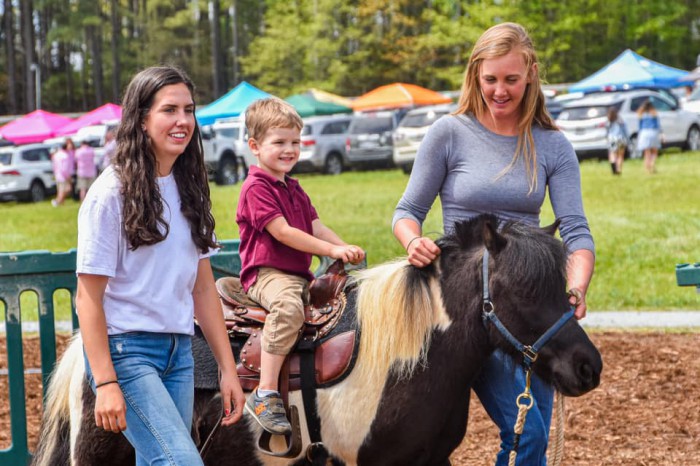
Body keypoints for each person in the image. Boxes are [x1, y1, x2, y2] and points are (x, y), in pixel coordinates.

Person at [392, 22, 595, 466]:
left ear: (531, 75)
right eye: (490, 80)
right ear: (475, 76)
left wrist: (575, 288)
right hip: (463, 307)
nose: (500, 90)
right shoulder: (449, 133)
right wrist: (413, 242)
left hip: (529, 308)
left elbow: (577, 232)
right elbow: (406, 212)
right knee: (528, 436)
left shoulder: (553, 146)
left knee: (533, 441)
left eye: (511, 79)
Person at [75, 66, 245, 465]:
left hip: (179, 352)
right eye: (169, 110)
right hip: (127, 352)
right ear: (141, 118)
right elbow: (87, 298)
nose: (183, 121)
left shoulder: (189, 187)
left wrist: (227, 370)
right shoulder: (110, 194)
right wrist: (105, 382)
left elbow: (202, 288)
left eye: (188, 110)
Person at [236, 97, 365, 435]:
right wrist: (327, 249)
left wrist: (341, 249)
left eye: (295, 141)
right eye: (279, 142)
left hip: (296, 273)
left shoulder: (293, 186)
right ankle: (265, 392)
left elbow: (315, 225)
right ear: (255, 146)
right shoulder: (256, 187)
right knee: (289, 307)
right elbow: (284, 232)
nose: (289, 149)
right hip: (267, 274)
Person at [637, 100, 662, 174]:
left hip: (644, 133)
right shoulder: (654, 114)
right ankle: (653, 164)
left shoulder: (641, 114)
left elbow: (639, 126)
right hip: (653, 132)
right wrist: (661, 134)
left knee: (646, 153)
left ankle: (647, 168)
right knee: (654, 151)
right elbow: (658, 125)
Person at [51, 139, 74, 206]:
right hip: (64, 175)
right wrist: (68, 176)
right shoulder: (65, 156)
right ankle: (57, 202)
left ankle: (60, 202)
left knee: (60, 190)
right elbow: (64, 168)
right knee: (66, 189)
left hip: (58, 175)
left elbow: (54, 166)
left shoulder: (57, 154)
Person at [606, 106, 628, 175]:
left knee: (612, 154)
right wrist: (627, 139)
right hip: (621, 138)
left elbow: (607, 132)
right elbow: (625, 130)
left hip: (612, 139)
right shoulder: (620, 120)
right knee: (620, 155)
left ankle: (613, 169)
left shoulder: (608, 121)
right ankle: (619, 169)